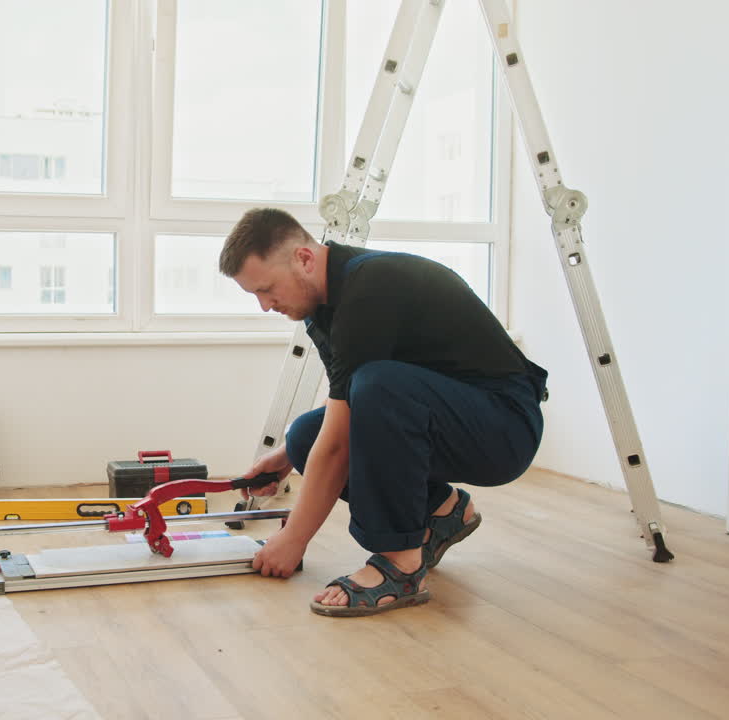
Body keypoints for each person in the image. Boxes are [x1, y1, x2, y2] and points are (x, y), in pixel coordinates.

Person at [221, 207, 548, 617]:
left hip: (504, 428)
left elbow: (346, 433)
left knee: (378, 387)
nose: (265, 306)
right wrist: (285, 456)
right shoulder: (324, 306)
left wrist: (294, 539)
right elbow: (344, 399)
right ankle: (441, 510)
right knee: (306, 434)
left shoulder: (370, 287)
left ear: (303, 259)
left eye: (266, 289)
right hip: (454, 417)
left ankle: (402, 566)